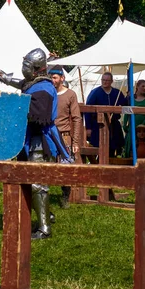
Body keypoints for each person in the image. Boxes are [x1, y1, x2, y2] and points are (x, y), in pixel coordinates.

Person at [0, 48, 70, 240]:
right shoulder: (36, 83)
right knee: (31, 182)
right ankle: (47, 214)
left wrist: (14, 108)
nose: (24, 69)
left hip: (40, 140)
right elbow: (24, 86)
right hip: (31, 139)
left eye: (27, 66)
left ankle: (44, 228)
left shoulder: (44, 88)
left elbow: (40, 116)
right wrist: (5, 79)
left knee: (37, 183)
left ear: (36, 68)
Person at [49, 65, 80, 208]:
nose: (52, 80)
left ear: (62, 78)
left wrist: (75, 141)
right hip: (47, 134)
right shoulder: (47, 93)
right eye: (51, 77)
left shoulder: (70, 95)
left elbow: (76, 118)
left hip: (64, 135)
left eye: (54, 77)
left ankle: (65, 196)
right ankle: (42, 196)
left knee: (65, 168)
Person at [84, 72, 127, 157]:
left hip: (113, 126)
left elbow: (124, 104)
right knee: (99, 149)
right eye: (103, 80)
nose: (105, 82)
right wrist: (88, 127)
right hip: (98, 126)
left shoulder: (117, 93)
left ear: (111, 81)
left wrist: (129, 97)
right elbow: (88, 110)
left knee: (113, 149)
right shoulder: (95, 93)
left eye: (107, 80)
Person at [123, 79, 145, 158]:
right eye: (142, 86)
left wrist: (143, 124)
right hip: (133, 126)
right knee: (132, 148)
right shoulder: (131, 98)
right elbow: (127, 111)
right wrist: (125, 123)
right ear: (137, 87)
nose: (144, 88)